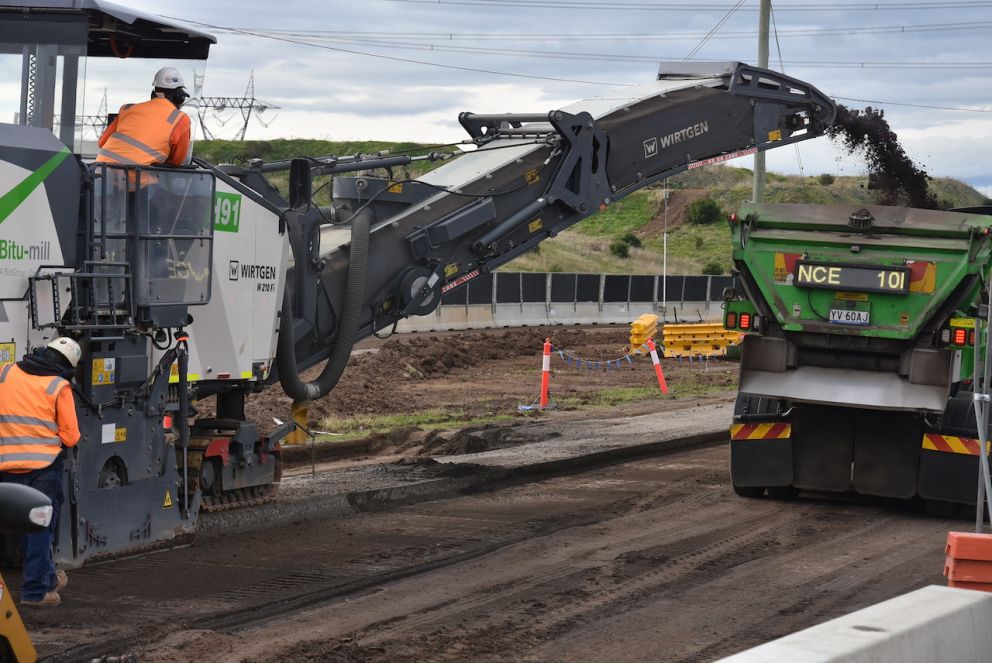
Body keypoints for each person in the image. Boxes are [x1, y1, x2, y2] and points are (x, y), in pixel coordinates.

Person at [0, 338, 82, 607]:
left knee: (20, 523)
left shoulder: (6, 372)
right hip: (42, 468)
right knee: (39, 528)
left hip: (6, 466)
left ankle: (47, 579)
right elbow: (70, 437)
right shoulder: (58, 386)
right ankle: (35, 592)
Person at [96, 66, 192, 167]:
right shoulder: (180, 119)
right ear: (179, 98)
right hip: (137, 180)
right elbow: (176, 161)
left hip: (100, 174)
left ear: (153, 94)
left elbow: (102, 142)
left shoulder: (127, 109)